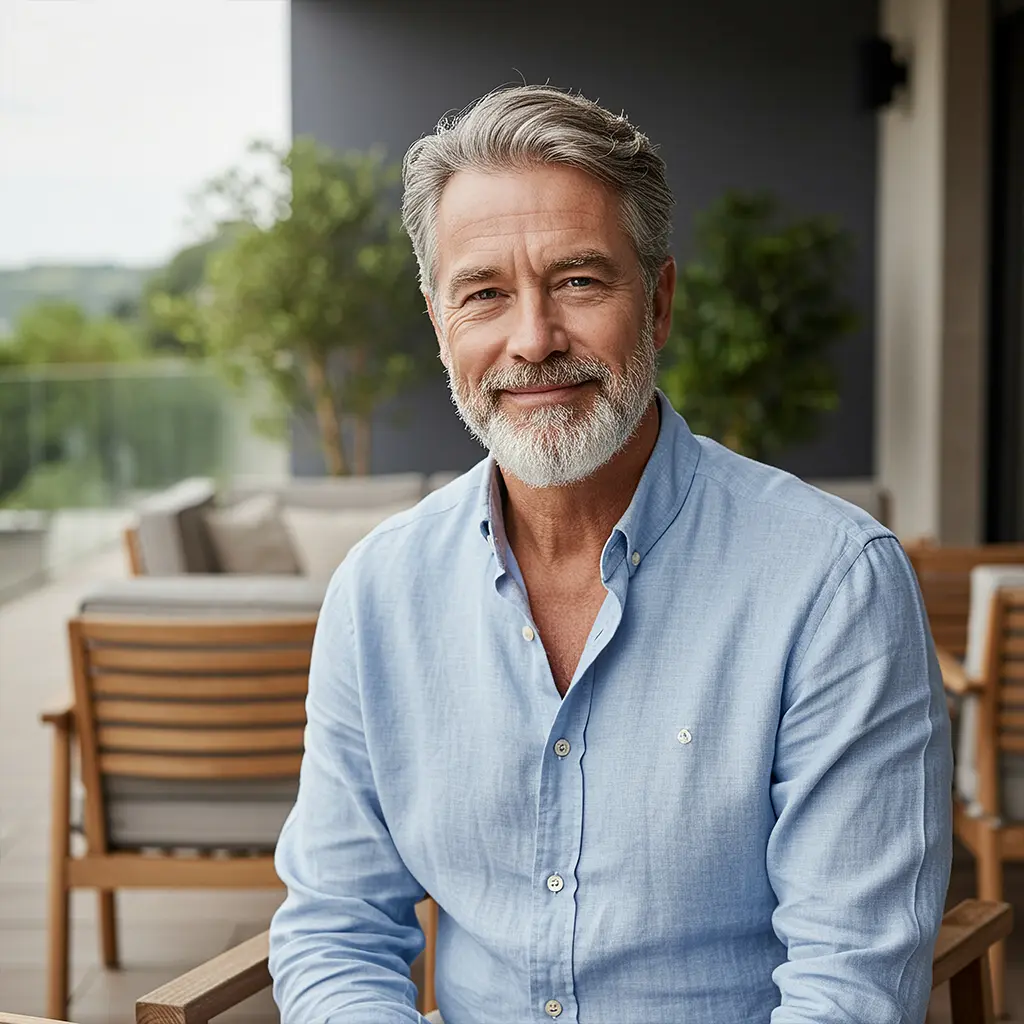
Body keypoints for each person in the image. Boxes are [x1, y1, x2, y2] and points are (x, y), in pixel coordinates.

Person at [269, 85, 952, 1024]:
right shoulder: (378, 593)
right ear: (440, 322)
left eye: (579, 281)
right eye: (485, 294)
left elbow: (851, 985)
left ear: (659, 302)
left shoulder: (834, 585)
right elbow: (336, 930)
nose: (535, 339)